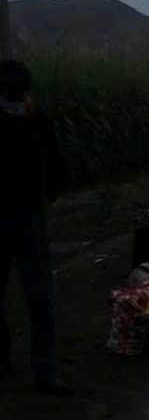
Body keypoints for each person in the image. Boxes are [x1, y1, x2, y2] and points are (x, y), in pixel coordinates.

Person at [0, 59, 72, 396]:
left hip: (29, 216)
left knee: (40, 296)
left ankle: (45, 370)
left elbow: (55, 156)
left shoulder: (37, 118)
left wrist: (51, 192)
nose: (17, 98)